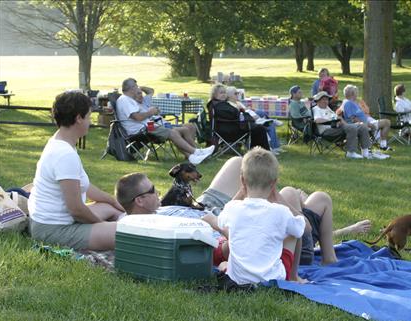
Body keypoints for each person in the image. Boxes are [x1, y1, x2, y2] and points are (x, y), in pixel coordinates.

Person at [115, 156, 372, 269]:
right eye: (152, 189)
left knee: (239, 162)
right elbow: (230, 236)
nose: (158, 190)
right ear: (139, 201)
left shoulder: (156, 210)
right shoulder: (153, 228)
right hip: (248, 224)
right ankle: (327, 238)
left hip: (216, 208)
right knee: (299, 195)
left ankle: (287, 200)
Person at [28, 92, 125, 250]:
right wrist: (100, 225)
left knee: (109, 208)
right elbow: (76, 210)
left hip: (50, 223)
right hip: (53, 230)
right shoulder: (64, 154)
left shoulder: (61, 142)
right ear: (79, 118)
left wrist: (112, 200)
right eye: (88, 116)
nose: (90, 121)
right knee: (129, 234)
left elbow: (81, 185)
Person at [204, 148, 307, 284]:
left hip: (237, 278)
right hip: (274, 278)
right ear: (274, 184)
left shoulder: (233, 208)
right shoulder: (281, 212)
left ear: (242, 180)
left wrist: (211, 218)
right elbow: (301, 228)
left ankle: (225, 266)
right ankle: (294, 277)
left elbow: (221, 220)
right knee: (293, 233)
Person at [116, 78, 214, 165]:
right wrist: (150, 112)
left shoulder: (129, 99)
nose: (138, 89)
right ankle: (196, 152)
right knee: (173, 132)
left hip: (148, 126)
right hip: (141, 129)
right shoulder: (125, 100)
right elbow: (137, 117)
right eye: (136, 86)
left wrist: (151, 112)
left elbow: (149, 95)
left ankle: (193, 156)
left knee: (184, 129)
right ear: (132, 88)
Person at [207, 83, 270, 151]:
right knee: (260, 129)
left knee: (257, 127)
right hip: (229, 131)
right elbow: (235, 115)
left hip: (228, 128)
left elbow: (235, 114)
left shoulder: (218, 103)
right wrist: (249, 118)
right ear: (214, 94)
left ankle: (256, 152)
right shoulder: (220, 106)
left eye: (225, 92)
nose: (224, 94)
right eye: (221, 93)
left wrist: (247, 117)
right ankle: (263, 153)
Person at [134, 87, 199, 151]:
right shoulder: (134, 106)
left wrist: (139, 87)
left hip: (166, 124)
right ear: (133, 96)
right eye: (138, 94)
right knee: (185, 130)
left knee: (191, 126)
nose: (141, 95)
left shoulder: (145, 100)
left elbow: (151, 91)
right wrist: (151, 112)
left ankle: (191, 155)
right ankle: (197, 152)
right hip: (159, 127)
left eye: (141, 93)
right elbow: (144, 121)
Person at [225, 86, 283, 154]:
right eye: (235, 93)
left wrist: (248, 109)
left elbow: (245, 110)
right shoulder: (230, 105)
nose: (238, 94)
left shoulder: (237, 102)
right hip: (246, 123)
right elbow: (240, 115)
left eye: (238, 93)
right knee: (269, 125)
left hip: (249, 118)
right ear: (229, 96)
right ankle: (271, 147)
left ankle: (274, 146)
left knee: (263, 114)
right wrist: (248, 113)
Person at [340, 85, 389, 159]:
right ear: (353, 94)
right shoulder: (348, 103)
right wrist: (368, 124)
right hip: (357, 125)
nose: (357, 94)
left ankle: (375, 148)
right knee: (382, 123)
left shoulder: (354, 103)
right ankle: (371, 150)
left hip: (365, 123)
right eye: (356, 92)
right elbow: (353, 118)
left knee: (386, 122)